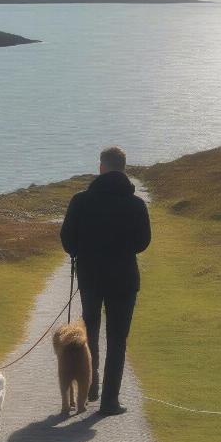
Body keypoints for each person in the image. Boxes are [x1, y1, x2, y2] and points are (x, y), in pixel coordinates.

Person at [60, 146, 151, 415]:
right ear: (123, 168)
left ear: (101, 167)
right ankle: (110, 401)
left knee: (90, 333)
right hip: (124, 279)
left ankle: (91, 387)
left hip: (91, 278)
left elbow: (67, 240)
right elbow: (143, 242)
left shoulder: (80, 201)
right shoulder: (135, 204)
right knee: (118, 339)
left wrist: (81, 249)